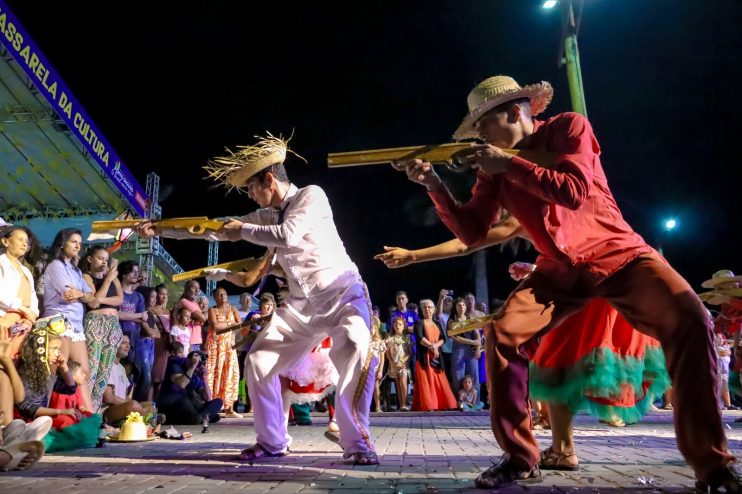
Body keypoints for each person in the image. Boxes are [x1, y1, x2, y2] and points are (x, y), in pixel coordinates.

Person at [392, 74, 734, 491]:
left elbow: (573, 192)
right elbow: (473, 233)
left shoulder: (570, 128)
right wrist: (434, 184)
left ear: (515, 112)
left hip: (617, 254)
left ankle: (713, 468)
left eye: (482, 124)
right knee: (503, 334)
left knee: (692, 320)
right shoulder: (493, 168)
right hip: (558, 270)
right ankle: (520, 458)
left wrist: (510, 164)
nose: (477, 135)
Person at [137, 133, 377, 464]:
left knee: (354, 344)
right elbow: (215, 228)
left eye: (251, 187)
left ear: (269, 179)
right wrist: (161, 228)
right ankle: (272, 441)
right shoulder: (265, 216)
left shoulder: (311, 196)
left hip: (341, 292)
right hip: (301, 305)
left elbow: (288, 235)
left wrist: (240, 230)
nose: (250, 195)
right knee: (259, 361)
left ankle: (358, 442)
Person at [41, 229, 95, 411]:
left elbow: (92, 297)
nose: (78, 245)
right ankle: (47, 416)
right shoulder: (55, 266)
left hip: (76, 326)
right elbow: (68, 296)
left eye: (79, 242)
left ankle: (89, 419)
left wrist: (81, 293)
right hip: (59, 322)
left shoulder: (76, 271)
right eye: (73, 241)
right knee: (55, 371)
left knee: (83, 373)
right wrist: (81, 295)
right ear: (62, 243)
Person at [79, 245, 124, 412]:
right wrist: (107, 281)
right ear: (90, 259)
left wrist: (104, 294)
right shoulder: (86, 276)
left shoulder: (113, 278)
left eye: (106, 259)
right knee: (92, 369)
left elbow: (120, 300)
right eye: (100, 258)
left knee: (104, 374)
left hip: (113, 325)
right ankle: (85, 413)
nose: (104, 262)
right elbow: (94, 301)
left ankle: (95, 416)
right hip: (95, 322)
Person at [0, 226, 39, 361]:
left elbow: (33, 296)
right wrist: (23, 309)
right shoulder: (1, 263)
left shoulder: (26, 270)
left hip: (22, 323)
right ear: (5, 242)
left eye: (26, 241)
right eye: (20, 239)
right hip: (4, 320)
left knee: (16, 363)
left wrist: (30, 317)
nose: (24, 244)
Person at [158, 344, 222, 426]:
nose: (198, 365)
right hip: (173, 402)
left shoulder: (196, 374)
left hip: (186, 405)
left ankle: (201, 417)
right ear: (188, 360)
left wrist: (204, 378)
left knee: (218, 402)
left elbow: (207, 398)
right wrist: (192, 366)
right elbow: (182, 384)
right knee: (185, 397)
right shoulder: (176, 365)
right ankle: (202, 417)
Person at [411, 299, 457, 411]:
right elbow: (420, 338)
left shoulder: (437, 323)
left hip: (436, 357)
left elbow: (443, 339)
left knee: (440, 379)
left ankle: (444, 404)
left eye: (430, 307)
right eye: (425, 307)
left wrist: (435, 347)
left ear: (434, 309)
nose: (427, 309)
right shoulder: (419, 322)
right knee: (426, 381)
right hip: (424, 357)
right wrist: (432, 347)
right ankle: (429, 405)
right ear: (422, 310)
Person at [205, 287, 242, 418]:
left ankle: (229, 408)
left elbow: (240, 324)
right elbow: (215, 326)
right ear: (215, 297)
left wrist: (227, 326)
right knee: (215, 374)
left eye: (224, 294)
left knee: (230, 373)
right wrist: (230, 325)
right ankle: (214, 405)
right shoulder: (212, 310)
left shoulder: (233, 308)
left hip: (228, 345)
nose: (222, 296)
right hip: (216, 346)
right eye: (219, 295)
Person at [102, 335, 154, 425]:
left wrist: (133, 404)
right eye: (124, 343)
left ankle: (137, 420)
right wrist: (131, 404)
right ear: (114, 345)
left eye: (129, 343)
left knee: (150, 405)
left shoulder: (121, 368)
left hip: (122, 406)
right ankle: (143, 421)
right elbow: (108, 397)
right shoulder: (107, 366)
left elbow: (125, 395)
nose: (128, 346)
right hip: (108, 409)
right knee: (134, 406)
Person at [385, 317, 411, 411]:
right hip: (394, 364)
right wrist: (392, 362)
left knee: (403, 383)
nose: (398, 326)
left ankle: (404, 403)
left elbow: (409, 353)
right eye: (396, 324)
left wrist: (402, 361)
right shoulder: (390, 338)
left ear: (404, 326)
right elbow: (387, 352)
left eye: (400, 324)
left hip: (402, 364)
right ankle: (401, 405)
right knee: (398, 384)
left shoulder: (406, 338)